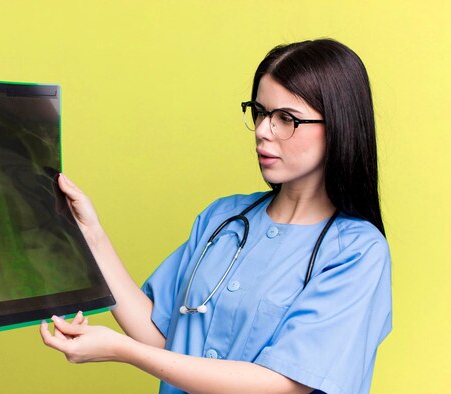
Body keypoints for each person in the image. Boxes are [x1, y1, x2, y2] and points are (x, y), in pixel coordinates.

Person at [40, 38, 392, 394]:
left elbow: (283, 384)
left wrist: (121, 350)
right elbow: (163, 335)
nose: (262, 130)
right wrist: (91, 232)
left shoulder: (357, 251)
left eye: (286, 119)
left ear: (337, 126)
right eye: (260, 112)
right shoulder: (223, 217)